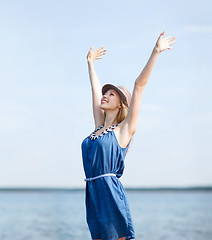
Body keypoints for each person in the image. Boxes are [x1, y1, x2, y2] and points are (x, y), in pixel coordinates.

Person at [81, 31, 176, 240]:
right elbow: (95, 91)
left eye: (111, 94)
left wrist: (156, 52)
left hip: (110, 195)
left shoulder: (123, 130)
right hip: (92, 193)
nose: (105, 96)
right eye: (105, 93)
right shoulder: (98, 128)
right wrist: (90, 64)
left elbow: (139, 86)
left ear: (122, 104)